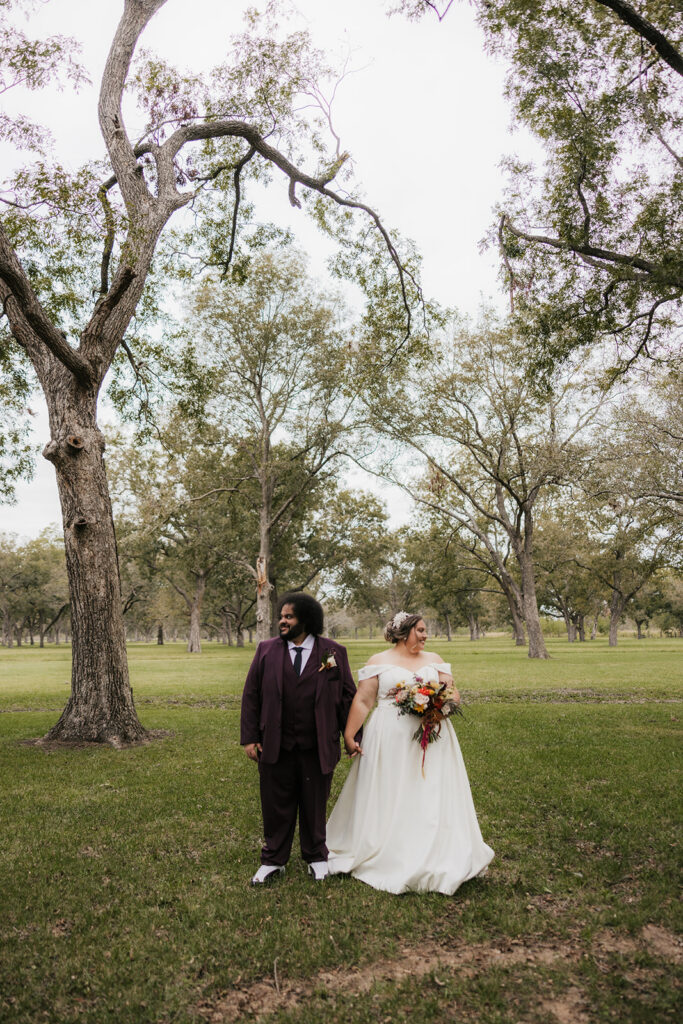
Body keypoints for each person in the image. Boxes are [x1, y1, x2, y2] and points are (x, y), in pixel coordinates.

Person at [327, 611, 494, 894]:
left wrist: (437, 707)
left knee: (430, 788)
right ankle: (386, 844)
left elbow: (453, 694)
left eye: (425, 630)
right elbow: (364, 700)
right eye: (420, 630)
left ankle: (435, 847)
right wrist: (349, 733)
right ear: (404, 632)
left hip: (432, 733)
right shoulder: (378, 662)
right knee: (392, 787)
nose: (425, 635)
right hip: (389, 736)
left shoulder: (435, 660)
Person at [240, 592, 357, 885]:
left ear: (305, 619)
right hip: (274, 743)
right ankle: (273, 860)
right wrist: (249, 737)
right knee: (275, 803)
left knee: (314, 803)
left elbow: (347, 697)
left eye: (288, 616)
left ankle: (316, 856)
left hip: (317, 744)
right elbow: (251, 694)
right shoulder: (266, 650)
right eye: (281, 616)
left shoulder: (333, 652)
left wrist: (352, 736)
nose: (282, 621)